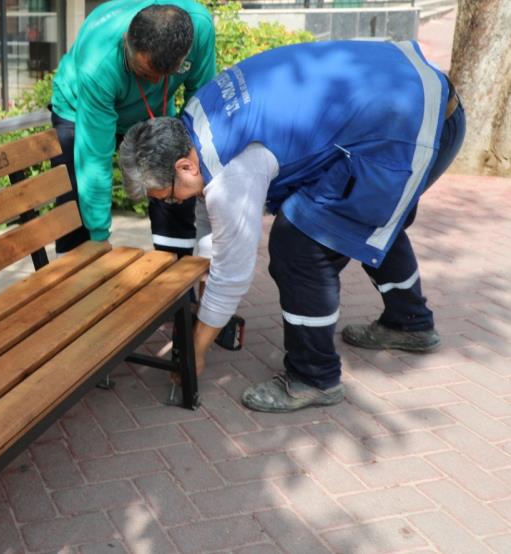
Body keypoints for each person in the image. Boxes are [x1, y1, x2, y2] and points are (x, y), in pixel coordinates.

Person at [118, 40, 466, 413]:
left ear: (183, 167)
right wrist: (205, 294)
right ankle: (409, 323)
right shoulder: (196, 123)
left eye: (168, 195)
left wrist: (197, 349)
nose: (175, 203)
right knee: (363, 219)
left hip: (413, 126)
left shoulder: (233, 173)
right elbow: (213, 227)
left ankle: (314, 378)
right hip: (415, 96)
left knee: (299, 245)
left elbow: (233, 271)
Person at [50, 0, 216, 258]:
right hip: (79, 105)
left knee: (174, 177)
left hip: (151, 111)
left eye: (158, 77)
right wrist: (100, 241)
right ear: (127, 41)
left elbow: (201, 108)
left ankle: (176, 279)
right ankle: (77, 278)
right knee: (76, 196)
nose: (151, 83)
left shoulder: (200, 30)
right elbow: (94, 160)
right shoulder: (99, 63)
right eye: (140, 72)